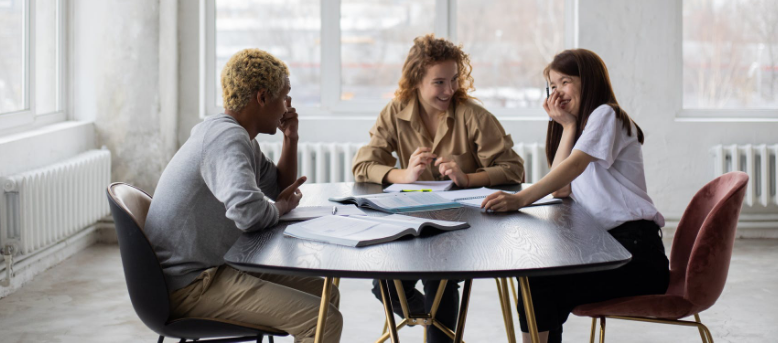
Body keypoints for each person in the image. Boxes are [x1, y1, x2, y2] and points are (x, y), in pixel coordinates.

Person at [144, 48, 342, 343]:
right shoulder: (228, 138)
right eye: (284, 96)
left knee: (327, 293)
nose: (287, 106)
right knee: (323, 319)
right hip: (190, 285)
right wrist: (280, 208)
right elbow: (249, 213)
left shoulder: (237, 135)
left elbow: (277, 188)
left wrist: (291, 138)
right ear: (262, 98)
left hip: (210, 269)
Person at [481, 49, 669, 343]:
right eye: (553, 86)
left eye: (565, 82)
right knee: (538, 279)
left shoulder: (606, 114)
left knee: (538, 281)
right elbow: (561, 187)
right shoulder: (584, 128)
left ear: (589, 80)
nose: (558, 92)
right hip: (613, 247)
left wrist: (520, 199)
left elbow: (575, 165)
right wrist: (567, 126)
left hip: (637, 255)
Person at [352, 34, 526, 342]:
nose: (450, 90)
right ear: (416, 80)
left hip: (465, 224)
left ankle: (439, 333)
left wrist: (468, 178)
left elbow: (514, 169)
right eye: (439, 83)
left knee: (439, 277)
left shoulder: (474, 116)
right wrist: (402, 174)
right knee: (384, 284)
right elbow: (362, 166)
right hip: (410, 221)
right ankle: (435, 325)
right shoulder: (394, 113)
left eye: (455, 80)